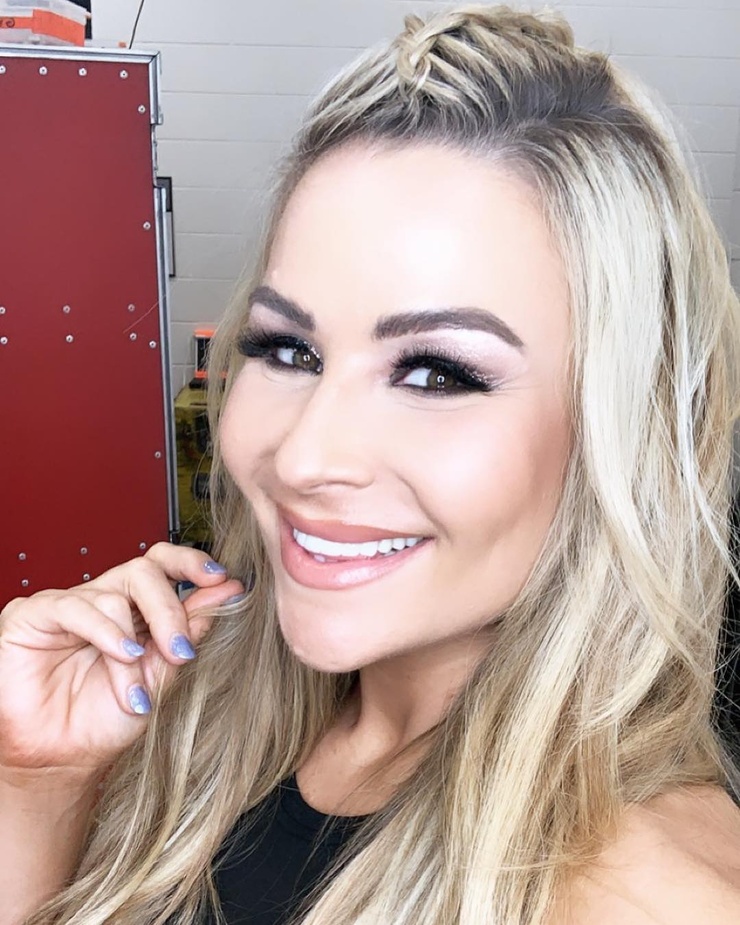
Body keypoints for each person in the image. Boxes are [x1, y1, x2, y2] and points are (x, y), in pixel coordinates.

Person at [2, 4, 740, 924]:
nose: (303, 455)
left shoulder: (640, 891)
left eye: (436, 372)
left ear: (622, 435)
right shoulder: (198, 724)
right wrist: (37, 783)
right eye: (288, 350)